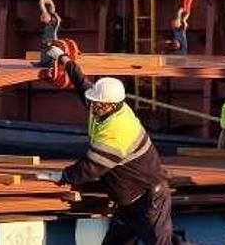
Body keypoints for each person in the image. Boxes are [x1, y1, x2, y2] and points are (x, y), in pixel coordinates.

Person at [45, 43, 174, 245]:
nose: (93, 106)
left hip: (149, 200)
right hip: (128, 202)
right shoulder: (102, 106)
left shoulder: (118, 129)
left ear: (112, 106)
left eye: (98, 104)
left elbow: (91, 167)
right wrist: (64, 60)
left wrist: (64, 176)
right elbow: (82, 83)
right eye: (94, 102)